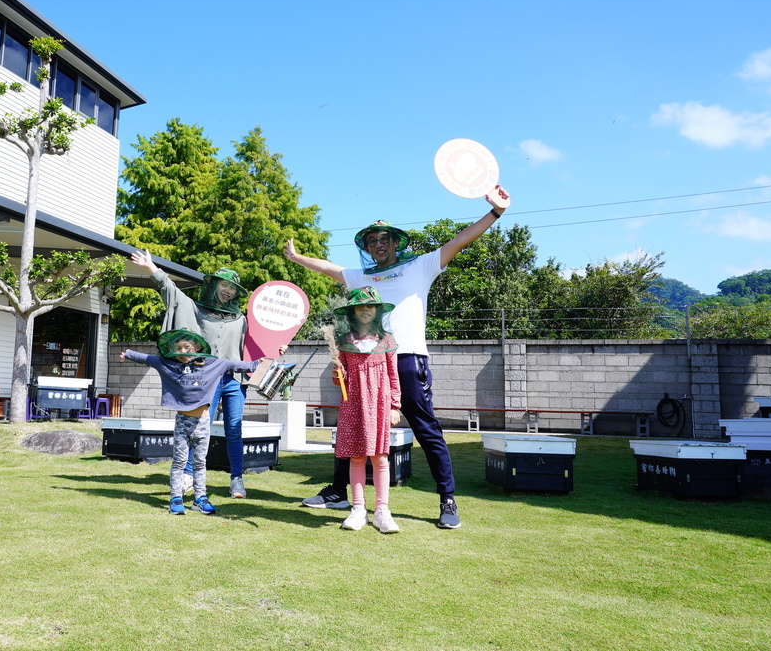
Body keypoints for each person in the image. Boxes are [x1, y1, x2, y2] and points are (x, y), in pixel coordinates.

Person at [283, 188, 510, 529]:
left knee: (426, 429)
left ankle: (447, 500)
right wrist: (297, 257)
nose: (378, 244)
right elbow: (329, 268)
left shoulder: (421, 266)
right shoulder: (362, 277)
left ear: (395, 243)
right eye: (371, 240)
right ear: (367, 247)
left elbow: (460, 241)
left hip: (405, 360)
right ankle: (338, 491)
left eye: (384, 239)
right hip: (362, 362)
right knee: (353, 426)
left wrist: (495, 213)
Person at [131, 250, 251, 499]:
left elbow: (255, 347)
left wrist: (277, 349)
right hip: (207, 381)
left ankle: (236, 480)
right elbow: (172, 293)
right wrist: (152, 268)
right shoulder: (196, 310)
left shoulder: (242, 319)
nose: (227, 291)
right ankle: (187, 477)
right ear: (215, 286)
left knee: (234, 430)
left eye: (232, 287)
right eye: (223, 285)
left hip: (234, 381)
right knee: (198, 428)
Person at [120, 329, 267, 515]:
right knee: (179, 461)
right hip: (183, 422)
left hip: (203, 423)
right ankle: (175, 498)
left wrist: (257, 363)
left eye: (187, 347)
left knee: (200, 462)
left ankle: (200, 498)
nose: (182, 351)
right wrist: (128, 354)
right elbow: (148, 358)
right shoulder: (169, 365)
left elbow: (235, 365)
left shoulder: (212, 364)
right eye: (178, 348)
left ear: (197, 347)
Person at [329, 287, 402, 533]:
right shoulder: (344, 341)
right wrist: (338, 374)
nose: (365, 310)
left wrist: (394, 405)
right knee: (357, 456)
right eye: (360, 307)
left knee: (380, 456)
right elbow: (340, 381)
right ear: (352, 312)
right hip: (353, 404)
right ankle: (358, 509)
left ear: (377, 311)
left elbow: (394, 375)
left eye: (370, 306)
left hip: (380, 404)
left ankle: (382, 511)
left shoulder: (387, 340)